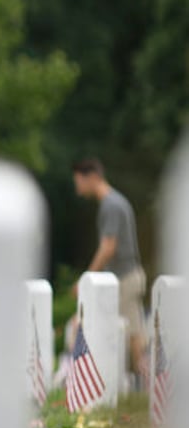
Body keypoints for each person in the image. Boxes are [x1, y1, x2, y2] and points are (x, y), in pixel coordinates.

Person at [72, 158, 148, 389]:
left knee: (132, 337)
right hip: (126, 276)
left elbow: (108, 247)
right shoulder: (114, 202)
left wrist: (86, 279)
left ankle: (150, 388)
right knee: (134, 334)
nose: (77, 188)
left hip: (124, 278)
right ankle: (147, 387)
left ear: (92, 177)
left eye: (78, 181)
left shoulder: (110, 205)